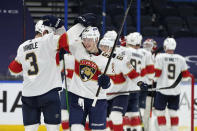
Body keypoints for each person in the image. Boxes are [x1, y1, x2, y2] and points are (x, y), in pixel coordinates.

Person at [8, 16, 65, 131]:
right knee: (53, 129)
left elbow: (13, 70)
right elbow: (68, 40)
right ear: (45, 31)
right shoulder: (49, 39)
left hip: (28, 95)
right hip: (49, 93)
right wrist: (61, 26)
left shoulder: (22, 47)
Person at [98, 31, 139, 131]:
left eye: (105, 46)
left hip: (120, 93)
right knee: (104, 121)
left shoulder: (121, 59)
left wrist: (141, 84)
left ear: (112, 48)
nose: (102, 49)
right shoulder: (96, 59)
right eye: (101, 46)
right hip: (104, 94)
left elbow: (133, 75)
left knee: (116, 116)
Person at [154, 37, 191, 131]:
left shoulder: (160, 57)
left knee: (160, 112)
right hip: (175, 91)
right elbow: (186, 77)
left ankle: (163, 130)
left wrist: (151, 79)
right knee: (173, 113)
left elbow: (156, 74)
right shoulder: (181, 58)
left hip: (162, 90)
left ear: (165, 46)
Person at [123, 32, 147, 131]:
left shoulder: (124, 51)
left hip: (123, 87)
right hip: (135, 88)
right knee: (134, 113)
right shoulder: (142, 54)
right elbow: (143, 73)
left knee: (123, 114)